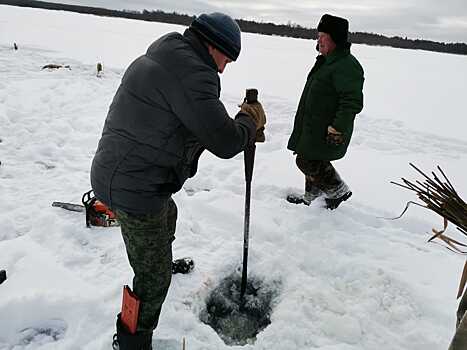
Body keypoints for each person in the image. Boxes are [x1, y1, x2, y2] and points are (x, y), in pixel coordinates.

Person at [89, 12, 266, 350]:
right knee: (153, 281)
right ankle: (131, 341)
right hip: (134, 186)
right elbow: (225, 141)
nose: (224, 68)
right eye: (226, 58)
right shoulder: (193, 74)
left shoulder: (169, 54)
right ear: (213, 47)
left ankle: (156, 258)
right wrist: (247, 121)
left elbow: (192, 120)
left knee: (168, 214)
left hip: (119, 171)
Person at [286, 14, 364, 210]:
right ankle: (312, 196)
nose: (318, 39)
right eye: (318, 35)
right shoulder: (327, 61)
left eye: (324, 36)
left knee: (305, 159)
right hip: (314, 125)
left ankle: (337, 190)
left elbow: (351, 102)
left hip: (328, 128)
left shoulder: (346, 65)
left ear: (336, 38)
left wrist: (337, 128)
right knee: (311, 155)